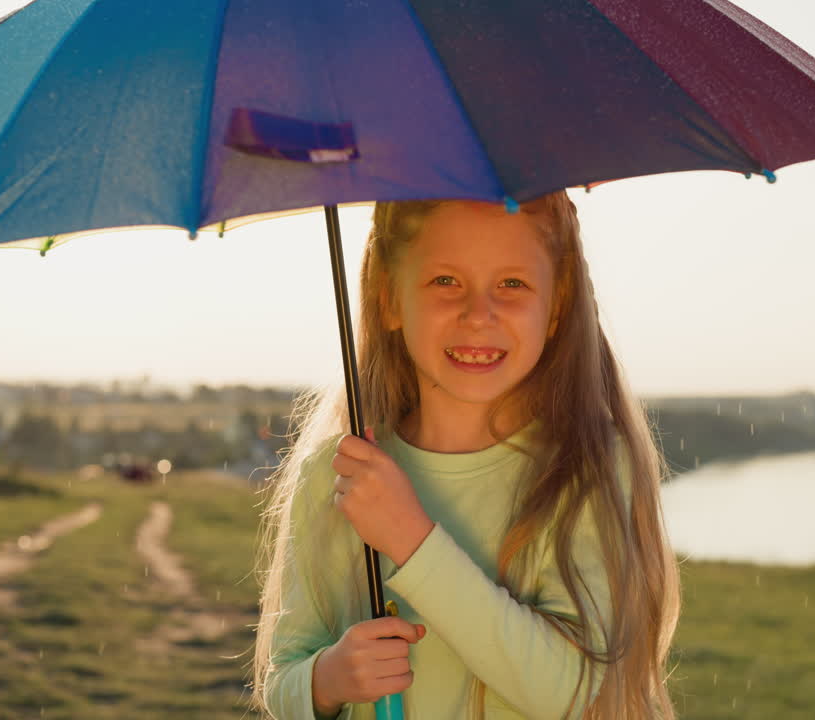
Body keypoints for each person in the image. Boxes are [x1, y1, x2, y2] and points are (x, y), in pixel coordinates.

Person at [251, 191, 681, 719]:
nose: (479, 315)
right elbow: (284, 675)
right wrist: (327, 680)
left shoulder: (582, 468)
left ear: (557, 307)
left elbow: (565, 693)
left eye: (512, 284)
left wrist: (410, 538)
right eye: (445, 281)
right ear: (388, 298)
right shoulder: (342, 471)